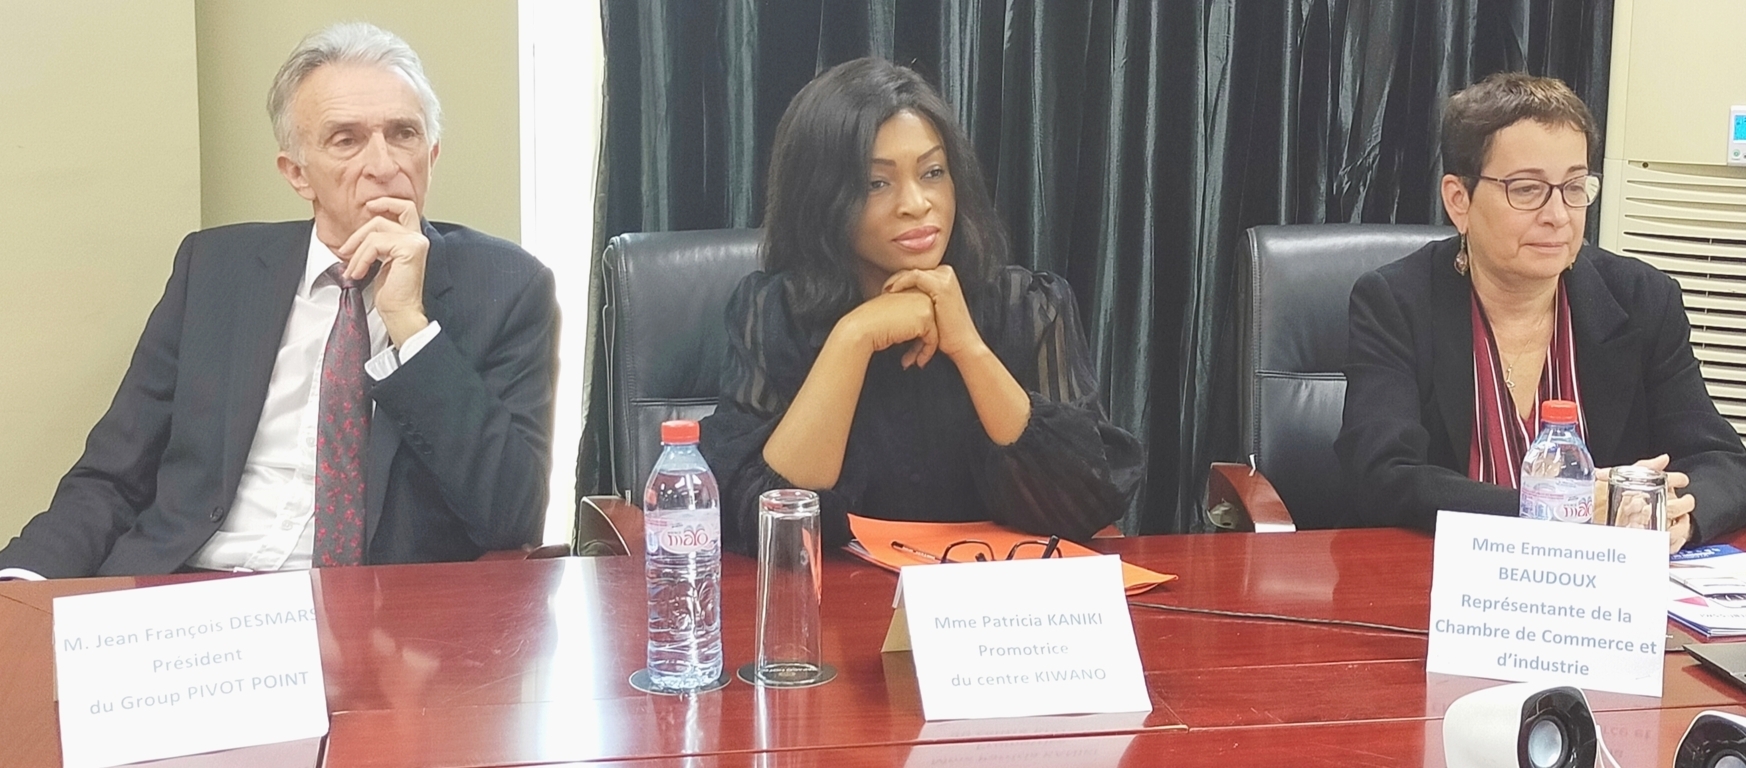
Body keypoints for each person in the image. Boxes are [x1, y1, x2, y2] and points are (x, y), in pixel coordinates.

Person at [0, 22, 556, 579]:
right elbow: (113, 476)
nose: (384, 165)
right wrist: (19, 584)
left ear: (431, 155)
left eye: (403, 134)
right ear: (297, 174)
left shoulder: (506, 287)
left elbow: (511, 518)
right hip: (188, 587)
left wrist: (409, 326)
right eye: (346, 139)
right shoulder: (215, 270)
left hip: (377, 609)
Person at [700, 58, 1143, 555]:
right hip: (842, 598)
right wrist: (853, 338)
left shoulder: (1030, 307)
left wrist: (969, 348)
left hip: (996, 596)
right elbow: (763, 525)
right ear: (821, 198)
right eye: (877, 183)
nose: (916, 203)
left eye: (933, 172)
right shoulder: (772, 313)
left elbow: (1082, 503)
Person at [1335, 72, 1746, 551]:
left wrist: (1678, 516)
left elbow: (1720, 461)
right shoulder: (1395, 302)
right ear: (1459, 200)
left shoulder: (1641, 300)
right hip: (1447, 572)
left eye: (1574, 187)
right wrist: (1555, 510)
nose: (1559, 215)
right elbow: (1382, 476)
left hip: (1600, 582)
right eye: (1528, 189)